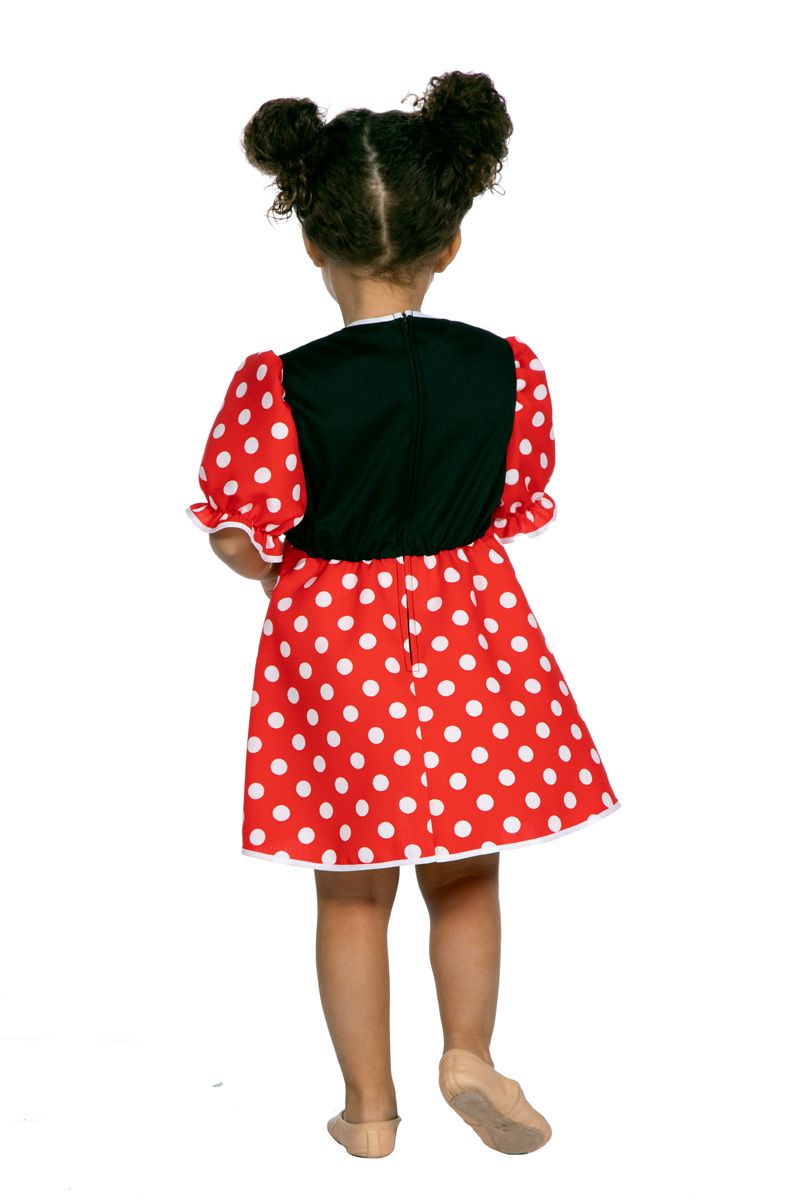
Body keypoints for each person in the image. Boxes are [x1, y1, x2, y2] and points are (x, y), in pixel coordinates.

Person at [186, 70, 623, 1159]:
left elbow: (245, 529)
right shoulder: (504, 369)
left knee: (350, 889)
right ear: (451, 244)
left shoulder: (280, 385)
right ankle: (468, 1053)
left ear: (311, 246)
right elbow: (517, 504)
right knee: (467, 864)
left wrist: (256, 563)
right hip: (472, 626)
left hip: (334, 638)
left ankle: (369, 1114)